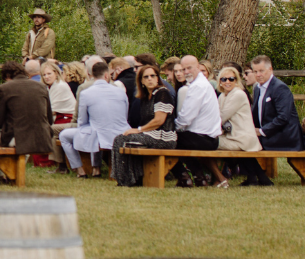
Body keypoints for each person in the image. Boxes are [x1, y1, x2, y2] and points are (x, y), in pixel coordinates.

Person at [59, 60, 130, 177]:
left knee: (64, 136)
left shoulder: (86, 93)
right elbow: (125, 115)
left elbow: (82, 120)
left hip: (98, 134)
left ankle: (80, 170)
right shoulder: (120, 91)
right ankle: (95, 168)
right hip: (121, 132)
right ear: (107, 75)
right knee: (94, 129)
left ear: (89, 74)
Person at [111, 64, 178, 186]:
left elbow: (159, 121)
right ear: (141, 80)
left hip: (164, 137)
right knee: (120, 139)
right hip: (150, 135)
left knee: (123, 140)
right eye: (146, 77)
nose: (150, 79)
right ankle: (130, 178)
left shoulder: (162, 94)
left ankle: (130, 179)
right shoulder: (146, 97)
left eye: (153, 76)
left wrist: (138, 130)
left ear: (158, 78)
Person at [0, 60, 53, 182]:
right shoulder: (42, 87)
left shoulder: (5, 88)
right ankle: (10, 174)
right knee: (24, 137)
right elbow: (49, 118)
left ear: (8, 76)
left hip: (18, 138)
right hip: (42, 136)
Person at [169, 55, 224, 186]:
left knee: (167, 139)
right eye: (183, 69)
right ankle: (199, 177)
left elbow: (186, 118)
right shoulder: (200, 84)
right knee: (176, 139)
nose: (186, 72)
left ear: (198, 67)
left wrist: (172, 127)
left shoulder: (198, 86)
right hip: (206, 137)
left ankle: (184, 176)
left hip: (204, 138)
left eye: (189, 68)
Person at [247, 56, 304, 158]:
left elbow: (283, 118)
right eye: (255, 72)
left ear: (270, 69)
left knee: (246, 144)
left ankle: (255, 173)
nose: (258, 75)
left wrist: (261, 131)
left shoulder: (280, 88)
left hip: (283, 137)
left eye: (261, 71)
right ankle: (254, 173)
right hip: (268, 135)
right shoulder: (257, 89)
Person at [216, 64, 262, 180]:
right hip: (231, 136)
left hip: (242, 139)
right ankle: (258, 179)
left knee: (208, 142)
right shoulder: (222, 95)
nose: (228, 82)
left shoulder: (238, 94)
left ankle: (217, 176)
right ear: (220, 81)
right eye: (224, 79)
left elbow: (221, 117)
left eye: (231, 79)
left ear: (236, 80)